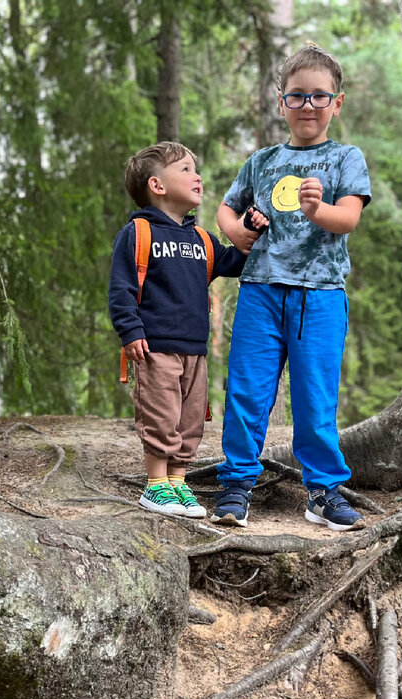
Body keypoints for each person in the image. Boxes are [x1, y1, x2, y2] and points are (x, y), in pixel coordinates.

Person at [212, 45, 370, 531]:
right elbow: (226, 208)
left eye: (319, 97)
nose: (307, 106)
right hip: (260, 291)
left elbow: (348, 218)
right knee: (247, 390)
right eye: (297, 96)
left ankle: (322, 491)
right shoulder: (262, 161)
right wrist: (235, 232)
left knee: (314, 396)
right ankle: (237, 484)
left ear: (336, 104)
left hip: (320, 296)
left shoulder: (345, 158)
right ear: (281, 101)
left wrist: (316, 211)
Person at [109, 141, 267, 518]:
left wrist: (248, 228)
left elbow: (232, 261)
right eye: (184, 169)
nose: (196, 176)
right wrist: (130, 332)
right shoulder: (138, 233)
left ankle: (179, 484)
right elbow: (121, 289)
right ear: (157, 186)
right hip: (155, 347)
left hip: (194, 349)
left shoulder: (200, 239)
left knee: (191, 418)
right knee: (161, 416)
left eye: (195, 169)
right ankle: (155, 486)